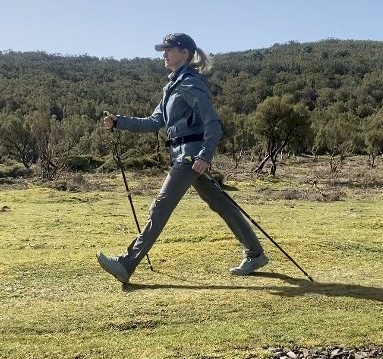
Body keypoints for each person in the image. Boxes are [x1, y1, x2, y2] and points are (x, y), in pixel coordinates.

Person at [97, 33, 268, 283]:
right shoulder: (173, 86)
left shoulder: (190, 83)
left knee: (160, 207)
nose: (164, 55)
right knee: (222, 205)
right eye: (163, 50)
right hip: (185, 155)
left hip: (190, 158)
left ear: (185, 52)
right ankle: (255, 254)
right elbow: (154, 122)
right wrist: (119, 122)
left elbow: (213, 123)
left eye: (169, 50)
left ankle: (127, 263)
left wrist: (204, 155)